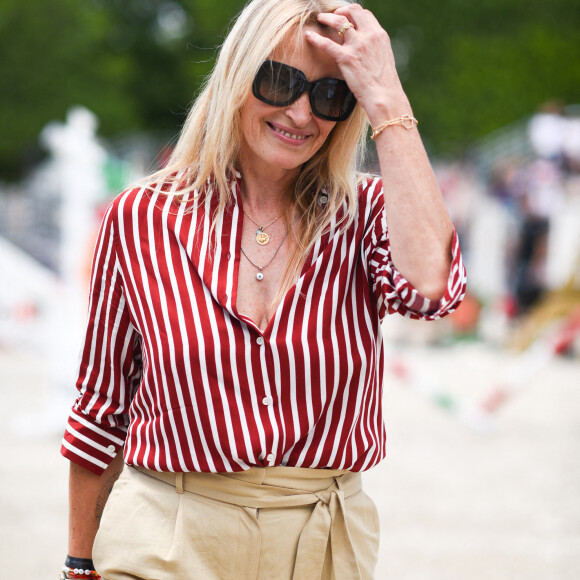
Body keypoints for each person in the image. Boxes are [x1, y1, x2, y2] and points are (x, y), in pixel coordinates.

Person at [60, 0, 466, 578]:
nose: (302, 113)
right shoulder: (143, 217)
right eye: (279, 81)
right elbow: (102, 406)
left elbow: (432, 288)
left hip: (321, 539)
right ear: (235, 75)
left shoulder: (367, 214)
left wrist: (387, 99)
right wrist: (78, 563)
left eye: (331, 95)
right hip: (163, 530)